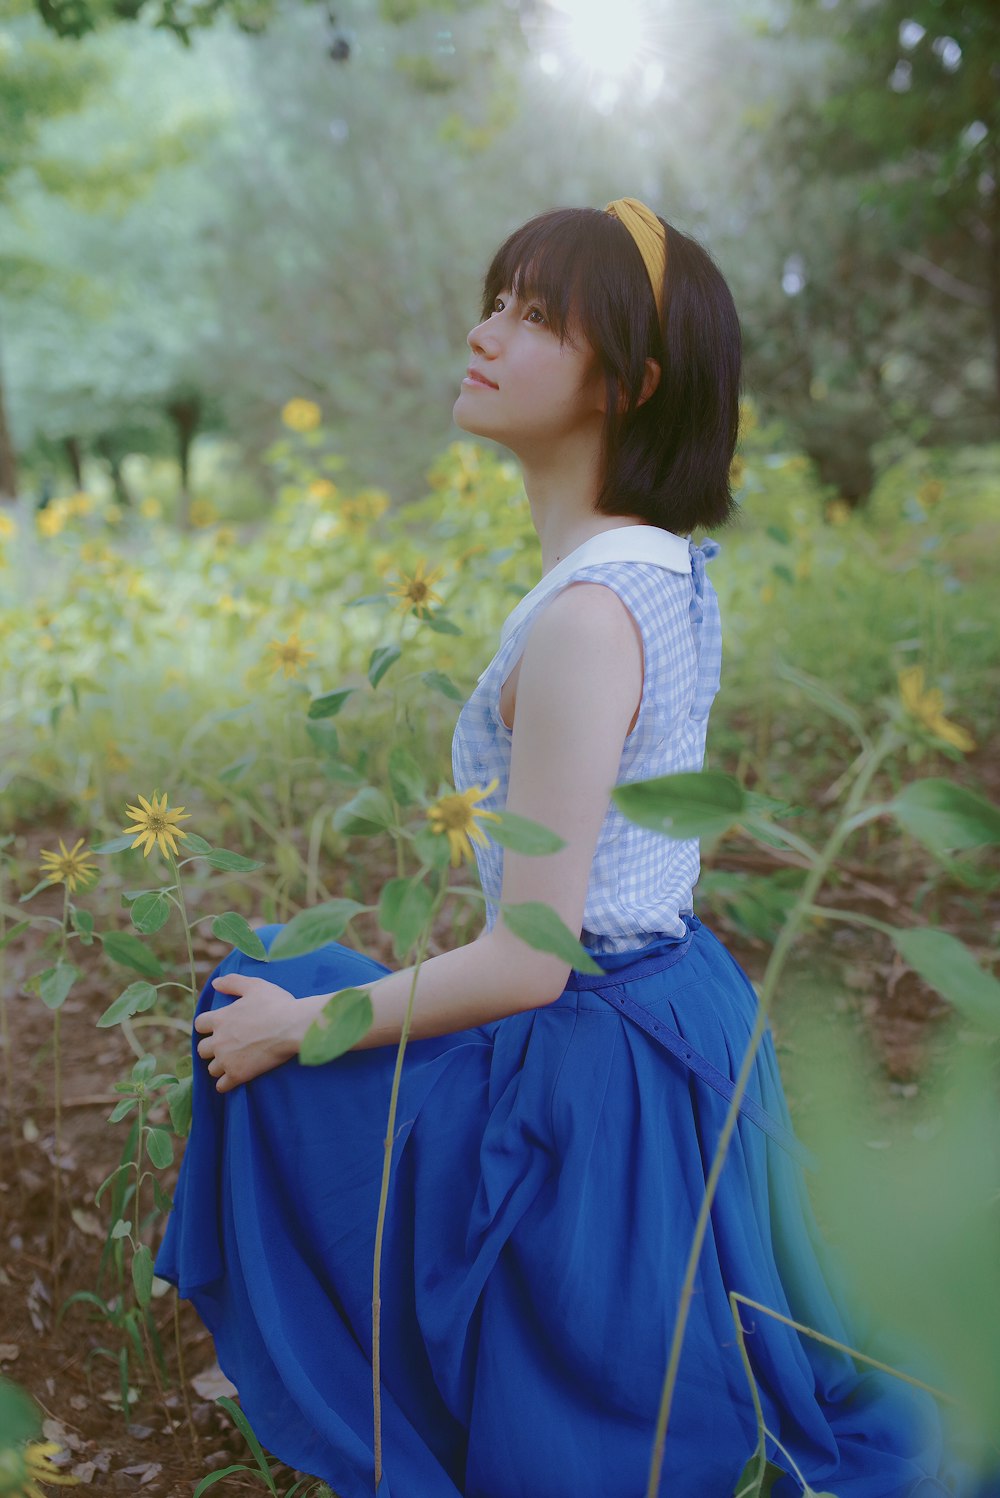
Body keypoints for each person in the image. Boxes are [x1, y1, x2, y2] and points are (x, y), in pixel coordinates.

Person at [155, 200, 977, 1497]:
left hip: (603, 1066)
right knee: (284, 981)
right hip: (674, 1007)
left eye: (539, 316)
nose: (488, 332)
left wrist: (299, 1029)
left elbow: (531, 963)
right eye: (498, 299)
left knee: (258, 999)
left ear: (632, 383)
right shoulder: (653, 566)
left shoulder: (592, 615)